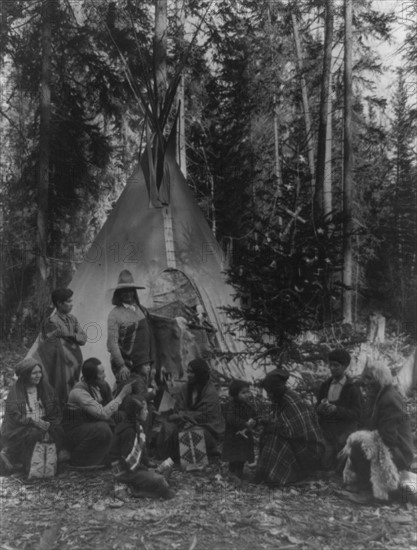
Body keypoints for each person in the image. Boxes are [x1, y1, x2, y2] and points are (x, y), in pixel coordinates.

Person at [342, 362, 413, 501]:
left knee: (358, 446)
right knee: (353, 442)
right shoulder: (378, 396)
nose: (365, 383)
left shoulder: (389, 399)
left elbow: (388, 438)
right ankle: (366, 484)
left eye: (369, 378)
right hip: (389, 445)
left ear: (379, 379)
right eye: (365, 378)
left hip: (399, 451)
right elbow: (367, 423)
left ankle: (370, 490)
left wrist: (362, 438)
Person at [255, 368, 324, 486]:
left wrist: (271, 425)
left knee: (276, 439)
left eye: (270, 392)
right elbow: (282, 424)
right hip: (298, 444)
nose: (269, 395)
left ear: (276, 390)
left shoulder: (292, 401)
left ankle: (276, 477)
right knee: (269, 434)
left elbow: (293, 431)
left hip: (310, 450)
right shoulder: (280, 399)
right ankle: (265, 473)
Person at [63, 358, 132, 468]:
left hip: (91, 426)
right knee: (102, 429)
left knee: (123, 418)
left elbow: (112, 409)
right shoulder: (79, 392)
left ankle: (106, 457)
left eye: (104, 371)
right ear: (92, 377)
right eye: (101, 373)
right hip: (75, 431)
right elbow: (103, 413)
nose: (105, 376)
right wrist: (122, 395)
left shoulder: (100, 386)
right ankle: (78, 460)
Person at [0, 358, 65, 473]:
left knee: (58, 430)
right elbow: (16, 417)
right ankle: (29, 467)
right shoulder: (16, 392)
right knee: (34, 433)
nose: (38, 376)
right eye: (34, 373)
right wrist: (33, 422)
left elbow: (54, 407)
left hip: (43, 422)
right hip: (20, 427)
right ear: (25, 375)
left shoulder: (44, 387)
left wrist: (49, 422)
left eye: (40, 372)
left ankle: (51, 463)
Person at [156, 358, 225, 461]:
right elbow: (178, 406)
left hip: (208, 429)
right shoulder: (186, 388)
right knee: (168, 427)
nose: (188, 375)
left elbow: (205, 416)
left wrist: (183, 416)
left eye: (191, 372)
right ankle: (169, 457)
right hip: (186, 422)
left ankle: (193, 462)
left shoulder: (210, 393)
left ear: (199, 374)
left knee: (192, 432)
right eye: (187, 371)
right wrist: (181, 416)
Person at [109, 397, 174, 499]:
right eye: (144, 410)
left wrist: (148, 463)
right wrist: (147, 470)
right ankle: (134, 491)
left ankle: (146, 485)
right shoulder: (128, 431)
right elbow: (128, 462)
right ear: (136, 414)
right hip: (125, 472)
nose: (147, 412)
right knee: (161, 482)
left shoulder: (137, 426)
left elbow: (140, 452)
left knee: (168, 466)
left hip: (136, 467)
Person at [37, 288, 87, 404]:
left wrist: (69, 335)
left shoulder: (72, 319)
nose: (71, 304)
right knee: (60, 389)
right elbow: (50, 344)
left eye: (71, 301)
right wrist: (74, 336)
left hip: (75, 362)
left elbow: (83, 338)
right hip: (60, 363)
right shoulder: (51, 322)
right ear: (59, 303)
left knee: (73, 388)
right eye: (68, 301)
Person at [107, 270, 153, 393]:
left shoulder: (142, 310)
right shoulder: (115, 314)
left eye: (130, 290)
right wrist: (121, 365)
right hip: (126, 364)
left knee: (143, 395)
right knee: (127, 394)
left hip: (144, 363)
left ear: (134, 292)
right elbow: (112, 344)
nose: (127, 294)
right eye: (124, 291)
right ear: (118, 293)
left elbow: (149, 334)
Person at [316, 349, 362, 468]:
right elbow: (317, 407)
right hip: (327, 431)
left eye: (336, 365)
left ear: (345, 366)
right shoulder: (325, 385)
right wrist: (319, 408)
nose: (332, 368)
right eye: (330, 364)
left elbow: (357, 414)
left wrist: (337, 410)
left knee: (341, 462)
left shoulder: (352, 388)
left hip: (344, 431)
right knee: (323, 463)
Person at [222, 379, 256, 479]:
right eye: (243, 393)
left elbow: (254, 415)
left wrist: (253, 421)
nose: (247, 395)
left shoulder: (247, 405)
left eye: (248, 392)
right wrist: (244, 423)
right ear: (235, 394)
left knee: (242, 455)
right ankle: (232, 472)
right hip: (234, 436)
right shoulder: (232, 406)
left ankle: (240, 473)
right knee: (234, 456)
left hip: (245, 436)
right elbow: (231, 419)